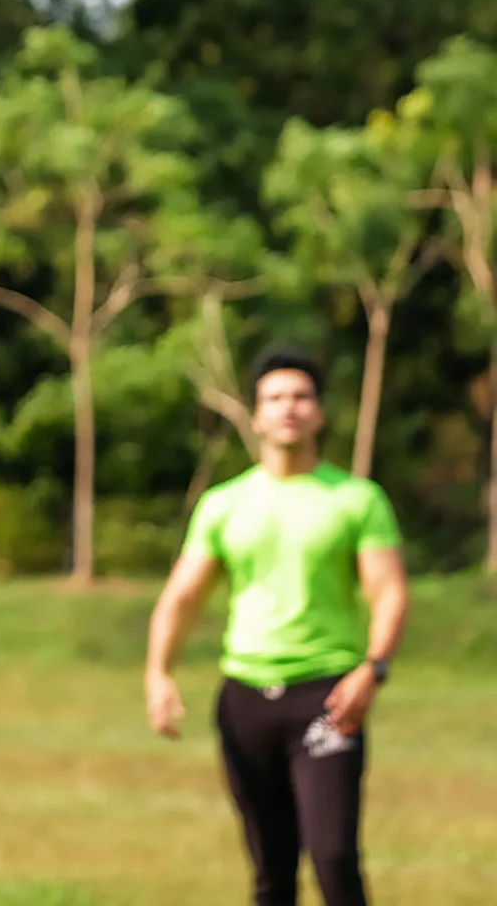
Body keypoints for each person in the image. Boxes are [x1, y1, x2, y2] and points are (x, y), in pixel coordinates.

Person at [145, 348, 409, 906]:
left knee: (334, 858)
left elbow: (388, 591)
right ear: (256, 415)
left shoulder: (357, 500)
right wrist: (158, 671)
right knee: (271, 869)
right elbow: (182, 597)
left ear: (319, 413)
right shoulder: (224, 504)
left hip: (328, 698)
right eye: (275, 398)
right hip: (245, 701)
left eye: (301, 396)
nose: (289, 407)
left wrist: (374, 668)